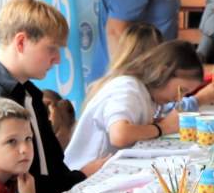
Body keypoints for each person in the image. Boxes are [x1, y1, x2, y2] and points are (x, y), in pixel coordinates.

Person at [0, 0, 102, 193]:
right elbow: (16, 190)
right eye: (51, 48)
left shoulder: (29, 93)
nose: (57, 59)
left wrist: (81, 177)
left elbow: (52, 169)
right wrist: (81, 177)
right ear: (21, 42)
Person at [64, 41, 205, 170]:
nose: (179, 99)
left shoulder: (147, 96)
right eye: (182, 90)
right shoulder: (128, 87)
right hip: (86, 175)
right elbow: (119, 136)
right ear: (164, 71)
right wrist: (163, 127)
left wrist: (157, 124)